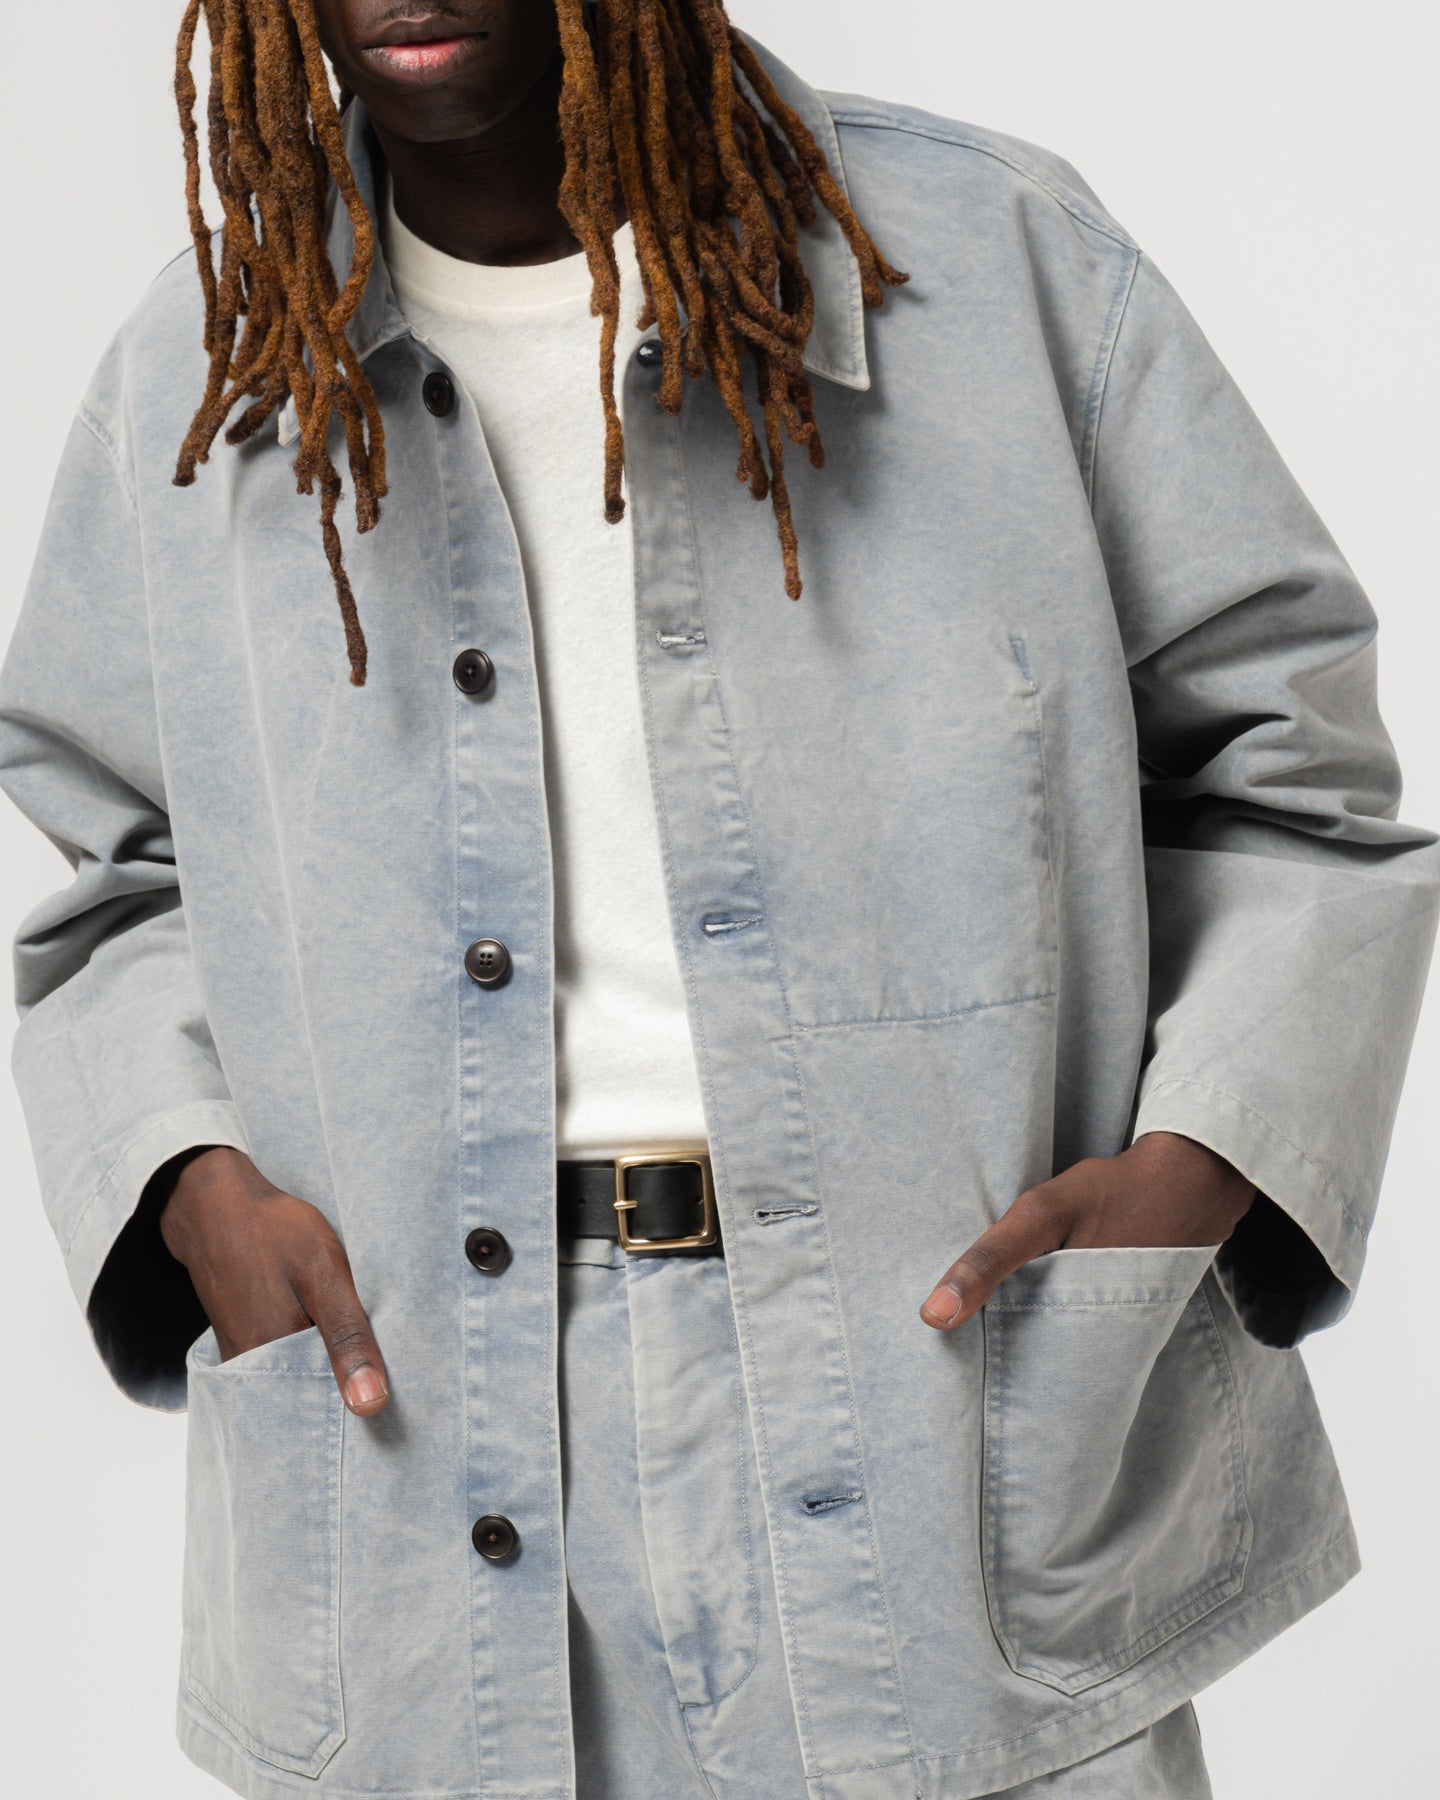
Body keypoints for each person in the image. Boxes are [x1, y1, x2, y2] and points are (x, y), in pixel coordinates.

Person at [1, 2, 1435, 1797]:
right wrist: (191, 1182)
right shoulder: (204, 375)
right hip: (420, 1461)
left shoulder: (994, 268)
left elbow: (1291, 767)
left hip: (948, 1417)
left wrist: (1200, 1165)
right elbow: (118, 867)